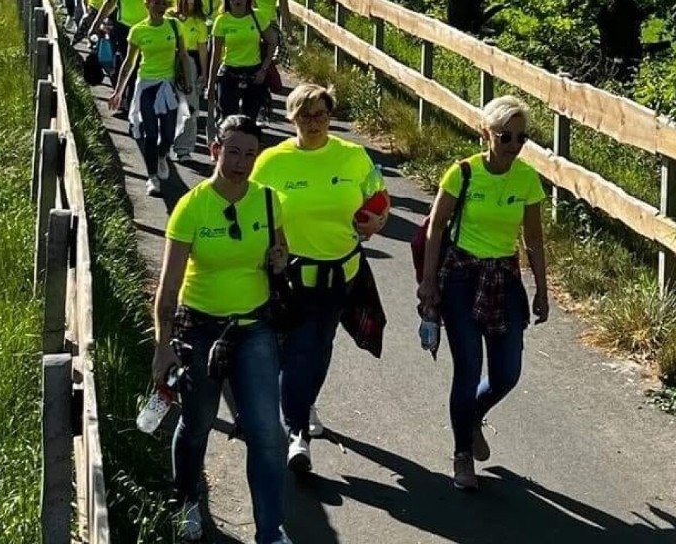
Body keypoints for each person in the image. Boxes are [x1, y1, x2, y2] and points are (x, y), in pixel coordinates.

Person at [153, 115, 292, 544]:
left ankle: (269, 531)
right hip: (199, 329)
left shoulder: (270, 202)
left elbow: (280, 253)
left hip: (253, 328)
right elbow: (169, 285)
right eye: (232, 151)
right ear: (215, 149)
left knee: (268, 432)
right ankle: (188, 500)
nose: (241, 162)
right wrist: (162, 347)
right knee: (196, 423)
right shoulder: (192, 207)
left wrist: (280, 260)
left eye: (250, 154)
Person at [251, 82, 389, 474]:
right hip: (293, 275)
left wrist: (377, 221)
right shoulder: (272, 163)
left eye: (321, 114)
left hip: (342, 273)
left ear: (330, 116)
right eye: (306, 115)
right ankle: (297, 435)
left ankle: (302, 402)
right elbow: (249, 208)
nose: (314, 122)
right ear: (291, 116)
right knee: (299, 349)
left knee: (322, 345)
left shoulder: (353, 157)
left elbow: (378, 199)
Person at [417, 95, 549, 492]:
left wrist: (541, 288)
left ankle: (472, 415)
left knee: (507, 372)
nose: (513, 145)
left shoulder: (526, 179)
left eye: (521, 138)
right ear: (486, 134)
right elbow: (435, 228)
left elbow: (534, 239)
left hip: (504, 279)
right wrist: (428, 282)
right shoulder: (462, 174)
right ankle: (461, 454)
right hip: (461, 276)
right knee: (468, 367)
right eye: (505, 136)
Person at [109, 0, 189, 196]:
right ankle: (152, 177)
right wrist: (118, 91)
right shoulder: (138, 30)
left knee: (169, 134)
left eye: (164, 3)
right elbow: (129, 62)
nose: (160, 7)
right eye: (156, 3)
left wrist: (188, 80)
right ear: (147, 3)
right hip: (147, 86)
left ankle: (163, 155)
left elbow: (182, 55)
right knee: (150, 133)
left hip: (169, 85)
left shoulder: (174, 26)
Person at [91, 0, 163, 98]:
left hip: (149, 29)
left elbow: (167, 5)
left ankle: (136, 100)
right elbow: (110, 2)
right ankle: (126, 98)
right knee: (127, 64)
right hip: (124, 28)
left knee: (142, 67)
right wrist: (96, 23)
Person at [205, 0, 275, 122]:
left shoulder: (257, 16)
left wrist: (263, 69)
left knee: (249, 121)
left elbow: (272, 41)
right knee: (228, 120)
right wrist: (210, 85)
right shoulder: (221, 21)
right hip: (229, 73)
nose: (237, 0)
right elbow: (216, 55)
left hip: (254, 74)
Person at [169, 0, 210, 165]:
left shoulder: (199, 23)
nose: (189, 6)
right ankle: (165, 143)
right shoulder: (170, 17)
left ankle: (184, 148)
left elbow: (202, 49)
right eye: (186, 1)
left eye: (192, 2)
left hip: (191, 62)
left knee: (190, 107)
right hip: (170, 59)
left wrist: (204, 74)